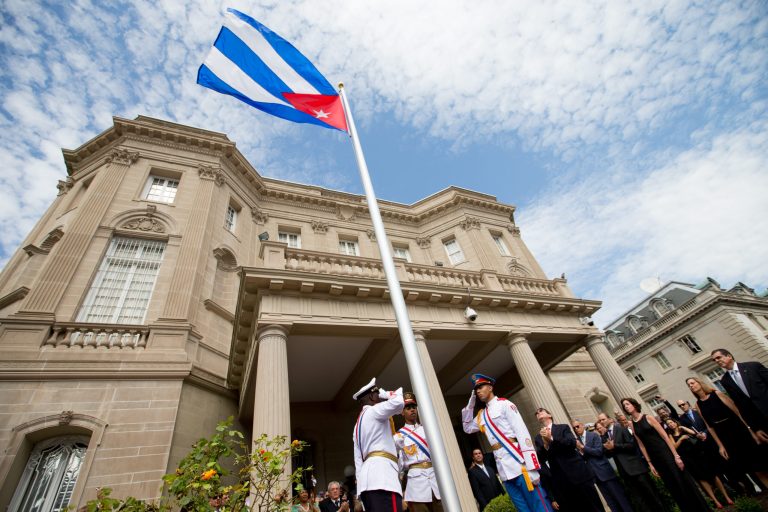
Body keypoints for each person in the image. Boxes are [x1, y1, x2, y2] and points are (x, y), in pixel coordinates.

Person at [462, 373, 552, 512]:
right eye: (476, 389)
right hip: (504, 470)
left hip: (520, 465)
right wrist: (471, 404)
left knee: (539, 506)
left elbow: (522, 434)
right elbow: (467, 428)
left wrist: (532, 467)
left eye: (481, 386)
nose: (478, 391)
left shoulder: (505, 404)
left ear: (490, 387)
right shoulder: (482, 415)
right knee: (523, 509)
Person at [620, 397, 711, 512]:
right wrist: (650, 463)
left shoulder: (648, 417)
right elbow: (641, 444)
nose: (626, 406)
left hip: (666, 453)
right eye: (624, 405)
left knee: (682, 483)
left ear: (634, 404)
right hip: (656, 459)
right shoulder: (632, 424)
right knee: (673, 487)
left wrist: (676, 456)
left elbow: (665, 437)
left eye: (627, 404)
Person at [687, 376, 768, 489]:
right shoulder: (698, 405)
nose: (691, 386)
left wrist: (751, 430)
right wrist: (720, 446)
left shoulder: (717, 394)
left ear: (699, 383)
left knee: (762, 463)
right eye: (689, 385)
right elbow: (710, 427)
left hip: (739, 430)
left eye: (692, 383)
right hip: (726, 437)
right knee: (753, 468)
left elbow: (738, 413)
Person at [533, 409, 601, 512]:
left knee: (594, 505)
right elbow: (541, 458)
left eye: (541, 411)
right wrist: (546, 445)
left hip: (578, 473)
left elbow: (571, 443)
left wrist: (551, 439)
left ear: (549, 415)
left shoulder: (563, 427)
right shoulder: (538, 437)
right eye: (537, 414)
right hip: (561, 480)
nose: (538, 413)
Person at [352, 377, 404, 512]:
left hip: (366, 484)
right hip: (383, 479)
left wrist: (360, 490)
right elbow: (399, 402)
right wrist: (386, 394)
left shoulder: (357, 426)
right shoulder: (374, 411)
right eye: (377, 395)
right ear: (372, 396)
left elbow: (358, 461)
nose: (380, 398)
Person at [597, 412, 665, 510]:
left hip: (636, 468)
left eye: (603, 419)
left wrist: (615, 446)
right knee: (640, 500)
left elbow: (632, 446)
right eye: (599, 420)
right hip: (625, 472)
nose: (601, 422)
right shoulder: (605, 436)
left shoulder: (621, 429)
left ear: (610, 419)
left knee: (652, 495)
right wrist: (608, 447)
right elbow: (608, 455)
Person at [665, 417, 733, 509]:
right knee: (701, 479)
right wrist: (681, 439)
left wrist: (683, 428)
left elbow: (694, 433)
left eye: (671, 422)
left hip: (698, 454)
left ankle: (727, 497)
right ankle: (716, 501)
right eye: (668, 424)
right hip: (688, 459)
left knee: (713, 475)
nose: (670, 424)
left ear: (675, 422)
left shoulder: (683, 428)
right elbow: (674, 447)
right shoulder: (670, 435)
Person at [393, 392, 442, 512]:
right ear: (402, 412)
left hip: (435, 478)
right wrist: (397, 449)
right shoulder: (399, 436)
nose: (412, 410)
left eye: (414, 407)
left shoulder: (427, 429)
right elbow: (399, 467)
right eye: (408, 408)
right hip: (416, 483)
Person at [573, 420, 633, 512]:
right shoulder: (577, 441)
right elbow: (583, 458)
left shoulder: (593, 435)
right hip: (595, 476)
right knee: (611, 503)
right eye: (574, 428)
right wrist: (580, 451)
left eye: (577, 426)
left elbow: (599, 452)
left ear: (582, 425)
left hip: (605, 472)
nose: (576, 429)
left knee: (621, 499)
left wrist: (583, 447)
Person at [711, 348, 768, 436]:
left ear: (729, 356)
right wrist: (755, 428)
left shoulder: (753, 366)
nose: (716, 361)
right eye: (714, 360)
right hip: (762, 422)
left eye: (718, 357)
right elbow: (740, 405)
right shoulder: (725, 381)